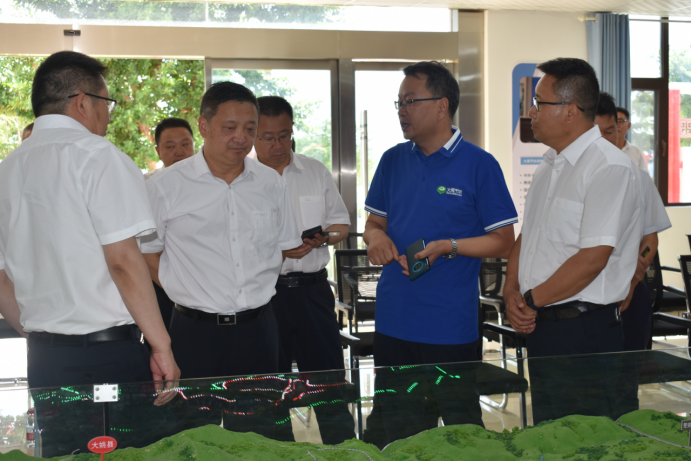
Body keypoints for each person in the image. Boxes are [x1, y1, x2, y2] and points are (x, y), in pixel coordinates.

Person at [0, 51, 179, 457]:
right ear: (83, 102)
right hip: (107, 356)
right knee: (131, 453)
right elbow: (123, 262)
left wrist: (45, 335)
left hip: (43, 359)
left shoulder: (7, 169)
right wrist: (161, 345)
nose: (108, 116)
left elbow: (2, 279)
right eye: (106, 104)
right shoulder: (97, 155)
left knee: (64, 454)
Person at [362, 61, 517, 446]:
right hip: (393, 320)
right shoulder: (392, 160)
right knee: (394, 424)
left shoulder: (480, 164)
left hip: (448, 325)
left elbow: (503, 240)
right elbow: (373, 223)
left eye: (410, 101)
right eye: (398, 102)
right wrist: (374, 238)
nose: (401, 110)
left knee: (462, 428)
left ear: (441, 105)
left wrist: (449, 246)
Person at [141, 82, 302, 438]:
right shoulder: (165, 186)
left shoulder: (271, 183)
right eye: (230, 127)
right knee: (194, 437)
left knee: (263, 437)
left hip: (259, 330)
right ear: (203, 125)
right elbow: (147, 252)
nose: (241, 138)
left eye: (249, 128)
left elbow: (280, 247)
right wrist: (181, 286)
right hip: (193, 333)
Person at [505, 58, 642, 424]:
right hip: (543, 326)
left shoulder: (608, 167)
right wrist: (510, 291)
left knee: (587, 438)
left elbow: (592, 259)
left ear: (570, 111)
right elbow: (528, 238)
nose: (531, 112)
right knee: (551, 434)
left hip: (584, 331)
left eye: (539, 102)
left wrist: (529, 301)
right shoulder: (549, 165)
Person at [254, 95, 353, 444]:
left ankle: (343, 451)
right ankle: (281, 450)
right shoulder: (244, 178)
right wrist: (278, 251)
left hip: (314, 293)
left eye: (284, 135)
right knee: (272, 388)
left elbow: (341, 226)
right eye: (267, 137)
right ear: (253, 135)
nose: (277, 145)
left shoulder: (314, 171)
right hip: (267, 296)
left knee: (329, 382)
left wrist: (324, 238)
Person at [594, 92, 671, 351]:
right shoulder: (569, 179)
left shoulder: (639, 179)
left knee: (630, 367)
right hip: (586, 294)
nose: (605, 140)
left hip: (631, 289)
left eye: (610, 131)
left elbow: (650, 242)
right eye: (597, 133)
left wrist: (635, 275)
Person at [144, 118, 196, 330]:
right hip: (160, 282)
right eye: (170, 147)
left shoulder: (213, 184)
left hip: (203, 285)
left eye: (185, 144)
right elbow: (145, 250)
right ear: (158, 151)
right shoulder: (146, 186)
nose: (180, 152)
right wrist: (174, 290)